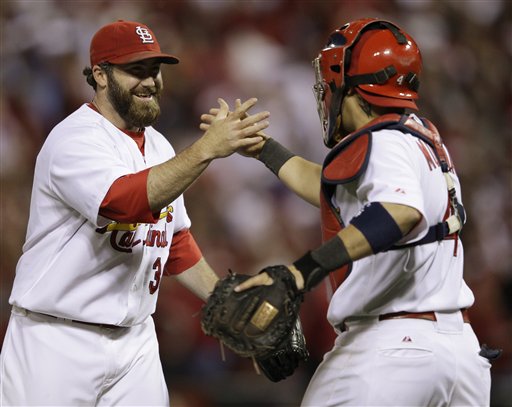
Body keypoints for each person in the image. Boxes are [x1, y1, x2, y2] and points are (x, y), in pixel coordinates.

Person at [203, 18, 496, 406]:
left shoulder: (384, 140)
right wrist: (263, 149)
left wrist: (300, 273)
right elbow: (331, 190)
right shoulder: (419, 138)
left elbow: (400, 212)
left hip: (391, 352)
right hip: (459, 355)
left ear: (348, 85)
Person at [0, 20, 269, 406]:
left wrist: (226, 304)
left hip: (136, 342)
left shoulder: (158, 146)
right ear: (100, 75)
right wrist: (206, 148)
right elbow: (122, 203)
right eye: (135, 70)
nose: (149, 81)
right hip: (56, 342)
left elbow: (173, 239)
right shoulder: (73, 138)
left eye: (153, 70)